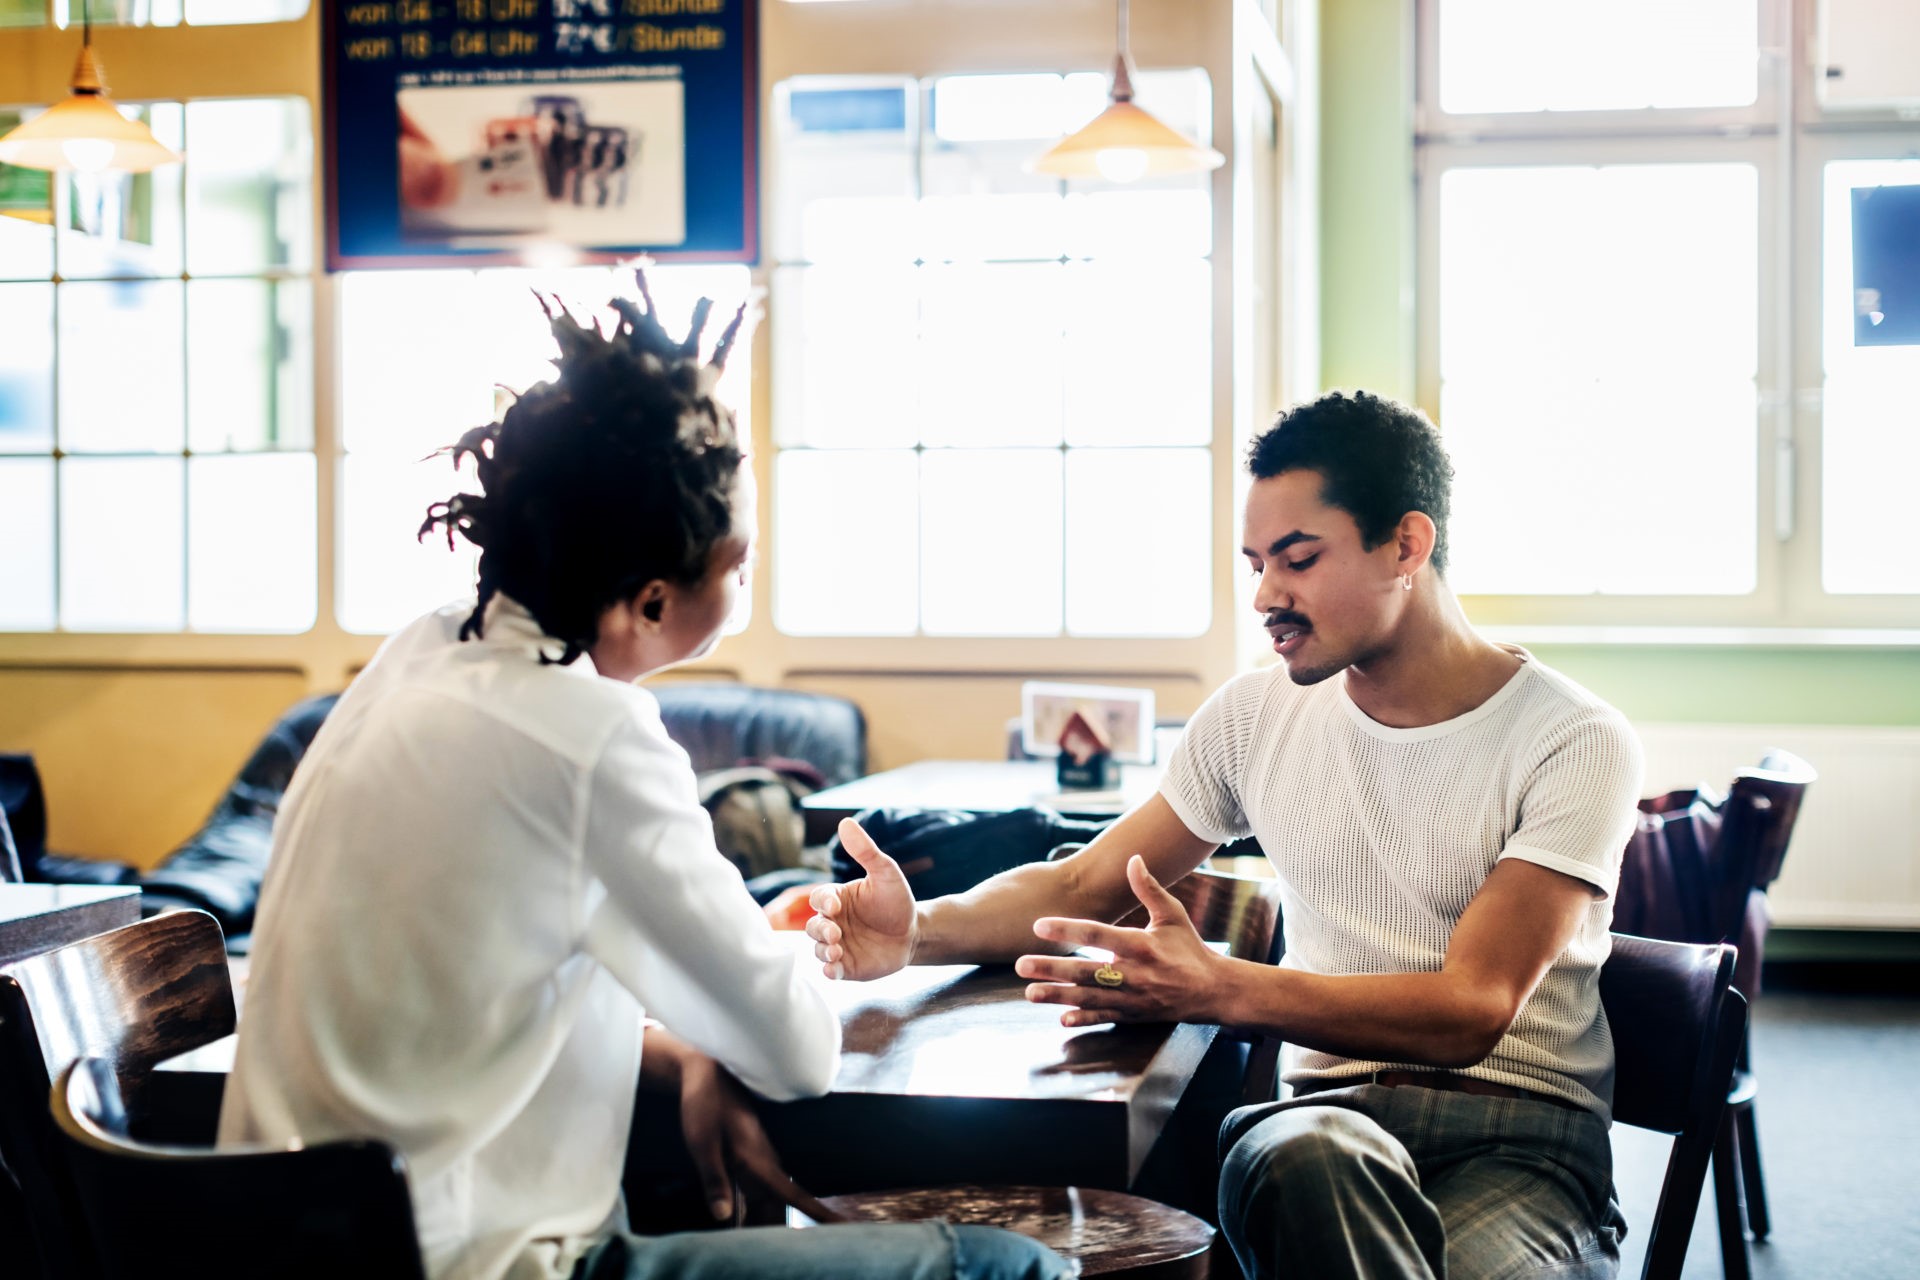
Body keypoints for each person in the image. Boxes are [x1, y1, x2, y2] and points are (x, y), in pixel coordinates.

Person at [220, 272, 1070, 1280]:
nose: (749, 579)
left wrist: (685, 1047)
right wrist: (803, 938)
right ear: (649, 601)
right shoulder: (589, 735)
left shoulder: (423, 649)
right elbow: (797, 1052)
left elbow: (493, 975)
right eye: (739, 565)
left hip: (285, 1243)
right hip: (470, 1263)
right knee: (1006, 1267)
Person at [809, 390, 1644, 1280]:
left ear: (1406, 544)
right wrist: (920, 930)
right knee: (1309, 1154)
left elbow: (1471, 1010)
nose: (1265, 596)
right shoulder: (1253, 717)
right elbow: (1082, 886)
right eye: (1255, 564)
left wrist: (1217, 987)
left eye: (1297, 560)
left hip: (1521, 1147)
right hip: (1322, 1128)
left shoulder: (1574, 738)